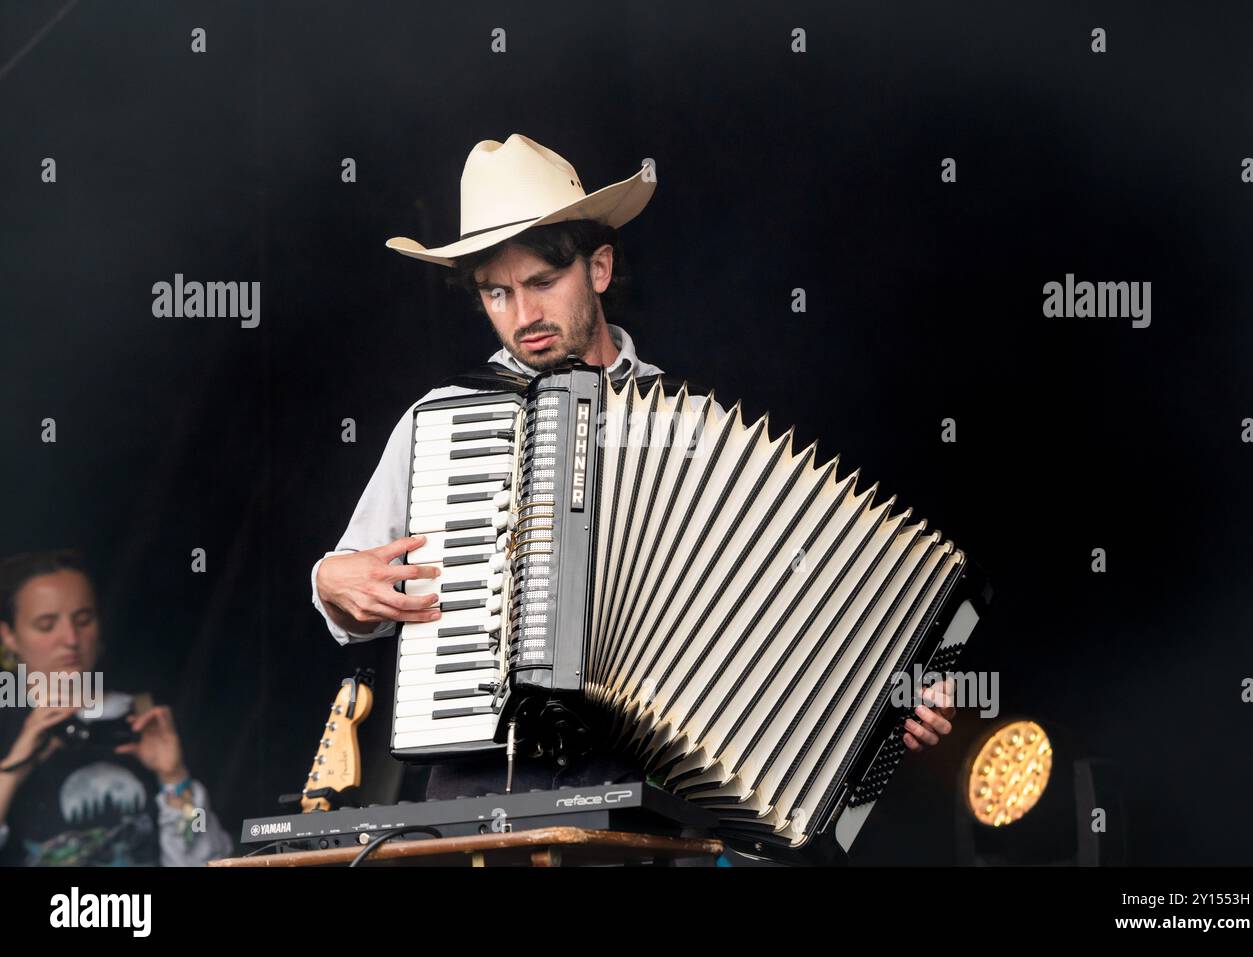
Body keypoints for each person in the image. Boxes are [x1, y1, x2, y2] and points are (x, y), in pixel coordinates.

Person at [312, 133, 956, 803]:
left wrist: (889, 689)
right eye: (496, 293)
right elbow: (357, 596)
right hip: (481, 787)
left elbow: (781, 599)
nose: (523, 315)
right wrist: (331, 578)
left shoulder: (690, 424)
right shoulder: (442, 420)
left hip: (646, 789)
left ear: (599, 268)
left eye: (540, 283)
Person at [0, 550, 232, 866]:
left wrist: (174, 778)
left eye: (83, 620)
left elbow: (206, 860)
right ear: (9, 636)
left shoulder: (145, 716)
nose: (70, 639)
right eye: (46, 625)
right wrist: (14, 767)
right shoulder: (6, 721)